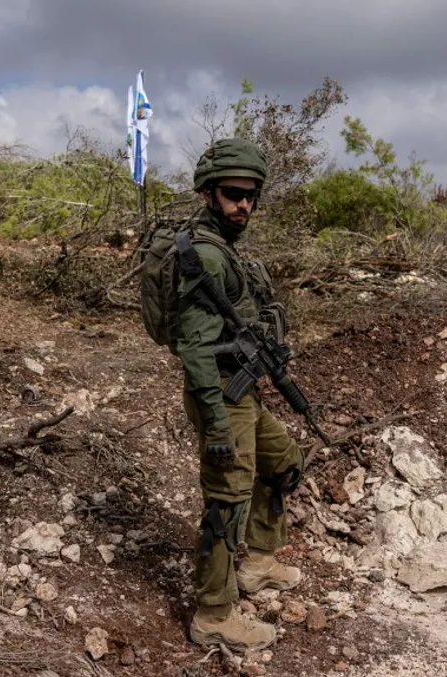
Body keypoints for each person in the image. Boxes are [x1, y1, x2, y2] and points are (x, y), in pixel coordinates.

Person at [176, 138, 304, 652]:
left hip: (242, 389)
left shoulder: (224, 245)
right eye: (233, 194)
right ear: (209, 194)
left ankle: (259, 562)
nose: (244, 204)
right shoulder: (206, 254)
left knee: (283, 462)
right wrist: (218, 425)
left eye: (252, 195)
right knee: (226, 501)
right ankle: (213, 615)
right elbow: (195, 348)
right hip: (219, 396)